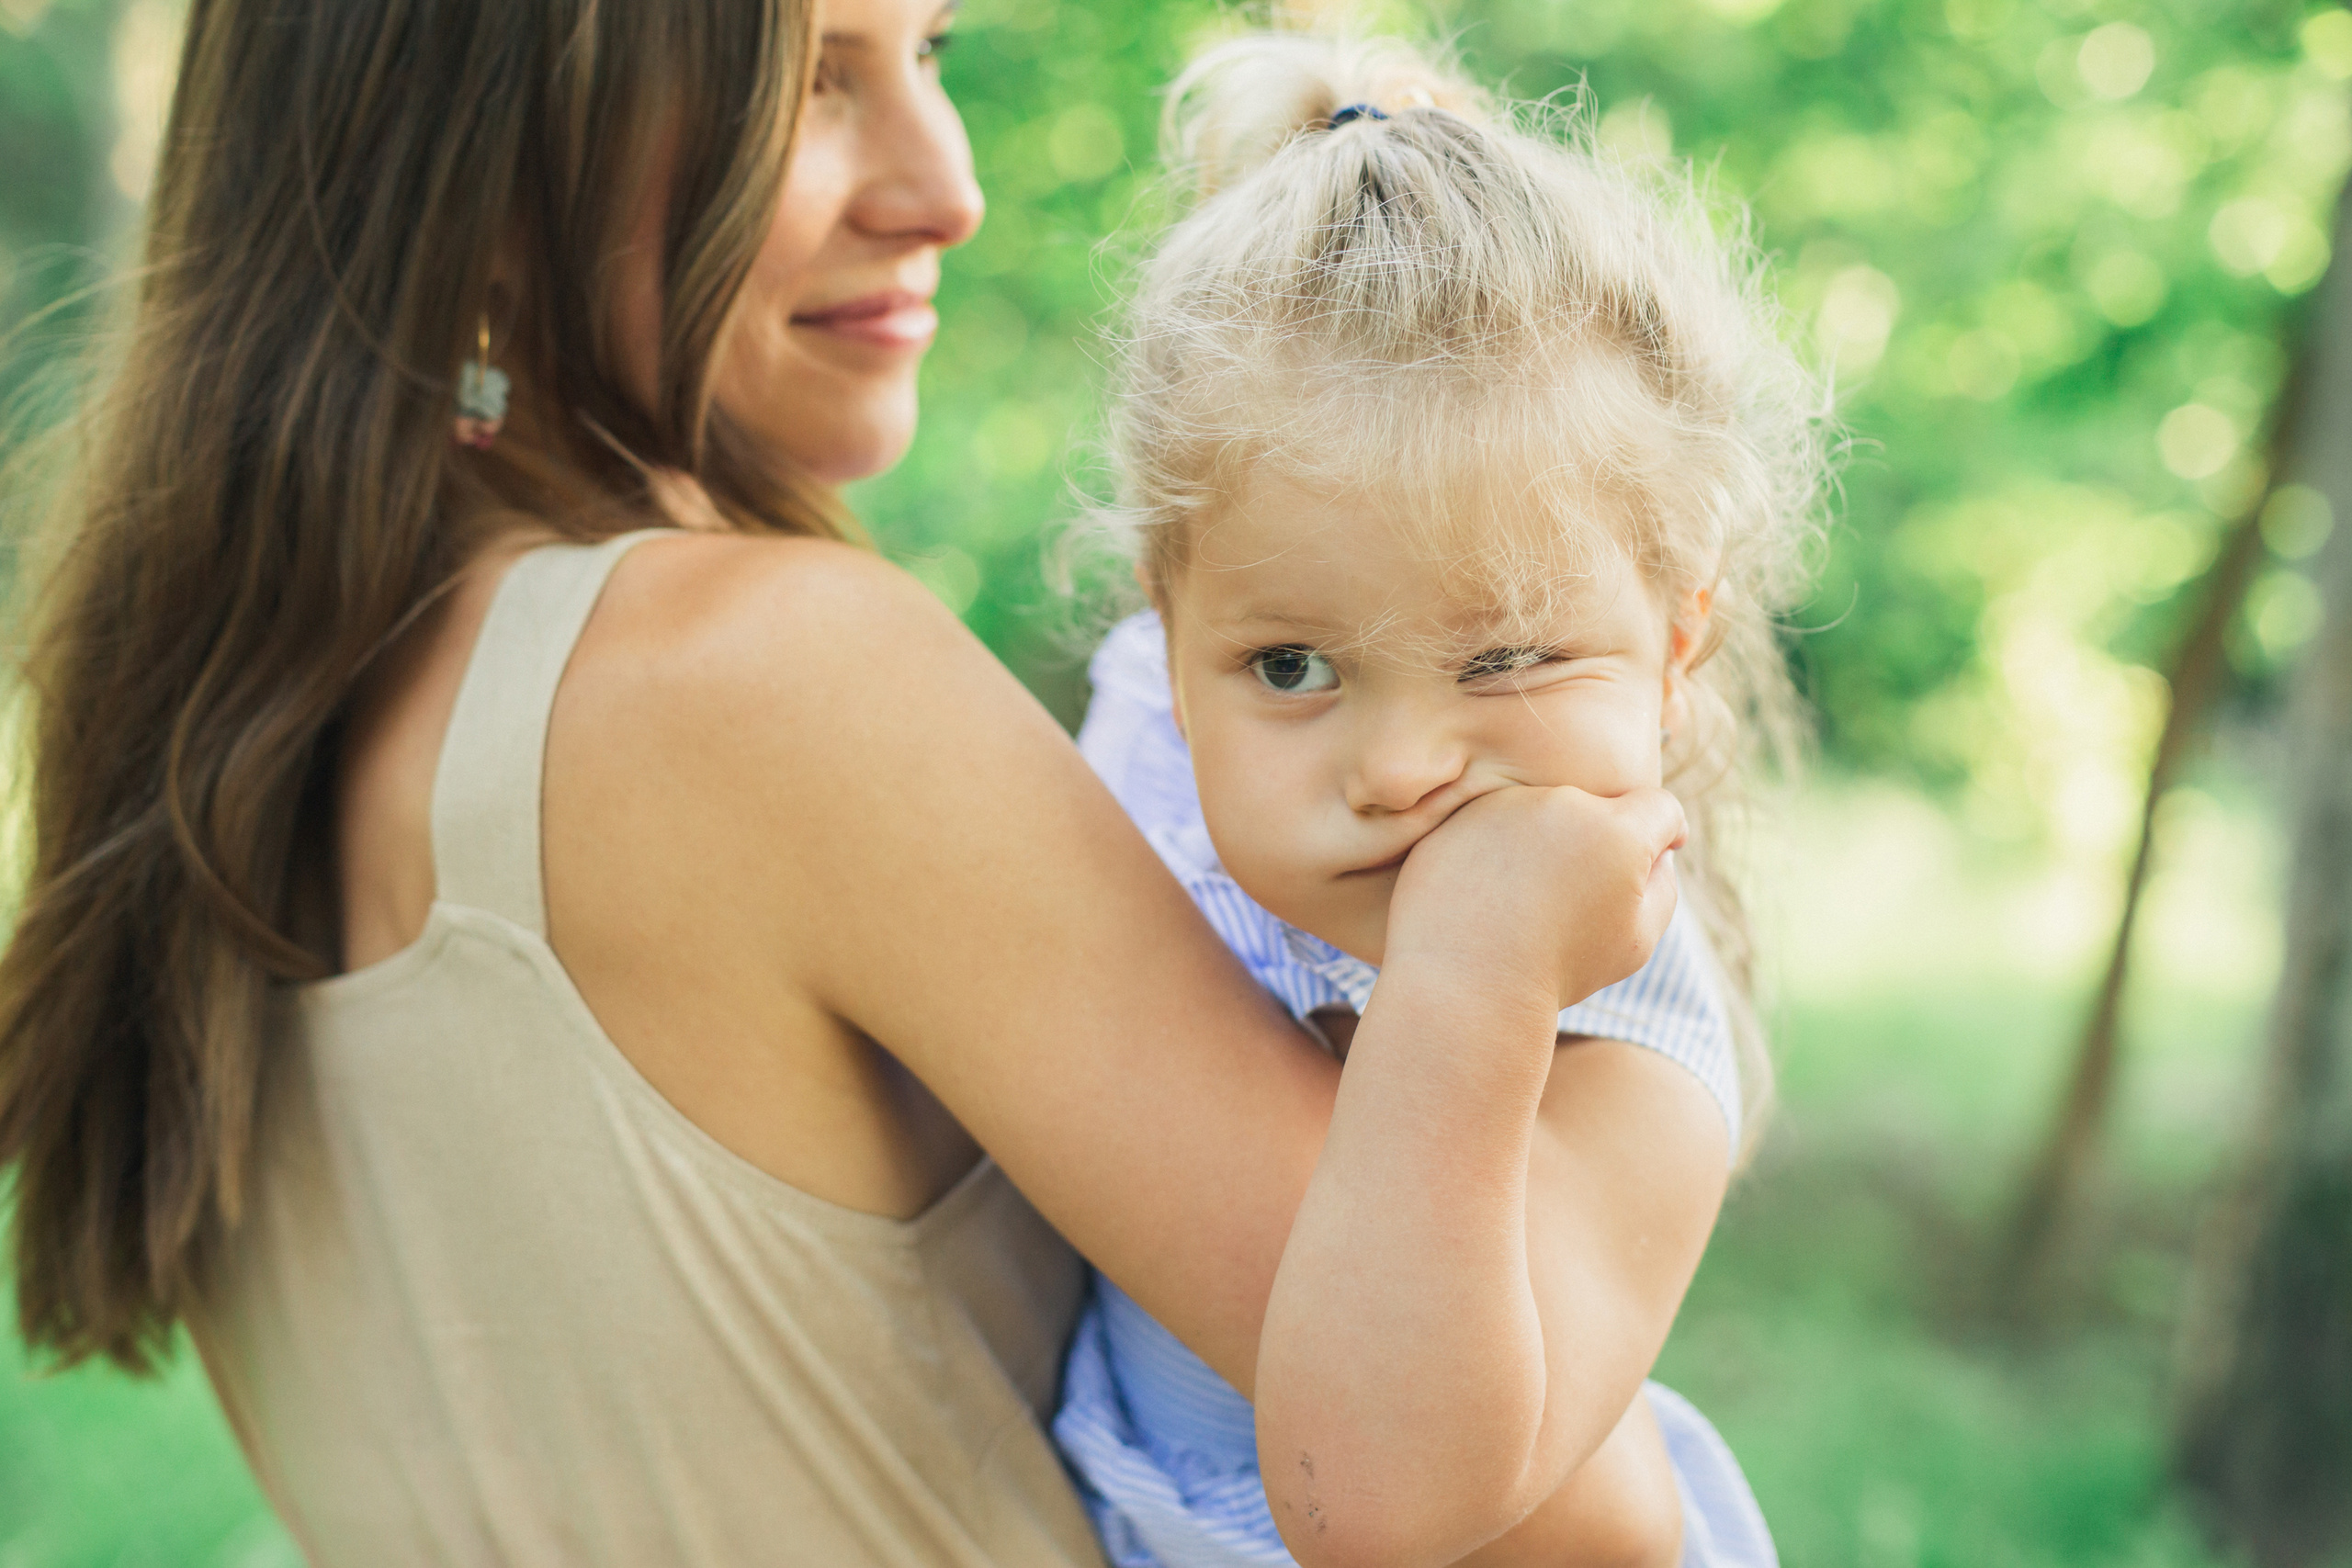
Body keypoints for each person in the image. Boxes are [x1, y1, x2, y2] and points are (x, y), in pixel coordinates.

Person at [0, 4, 1736, 1565]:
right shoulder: (758, 679)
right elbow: (1550, 1518)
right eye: (815, 82)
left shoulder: (218, 758)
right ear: (475, 132)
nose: (947, 188)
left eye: (933, 56)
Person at [1047, 33, 1823, 1568]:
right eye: (1293, 667)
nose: (1400, 769)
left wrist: (1477, 976)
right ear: (1170, 642)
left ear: (1677, 647)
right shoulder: (1159, 741)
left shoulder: (1631, 1044)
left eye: (1509, 656)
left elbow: (1383, 1507)